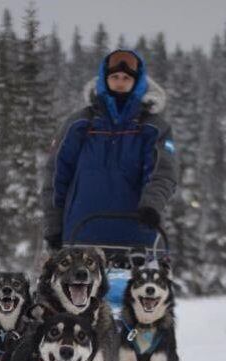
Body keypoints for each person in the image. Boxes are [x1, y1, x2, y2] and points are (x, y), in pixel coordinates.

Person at [42, 49, 178, 258]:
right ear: (104, 80)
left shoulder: (154, 128)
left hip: (137, 239)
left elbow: (163, 173)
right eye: (114, 77)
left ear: (138, 81)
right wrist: (53, 225)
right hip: (80, 237)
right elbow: (56, 177)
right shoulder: (78, 124)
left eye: (126, 78)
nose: (120, 82)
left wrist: (152, 206)